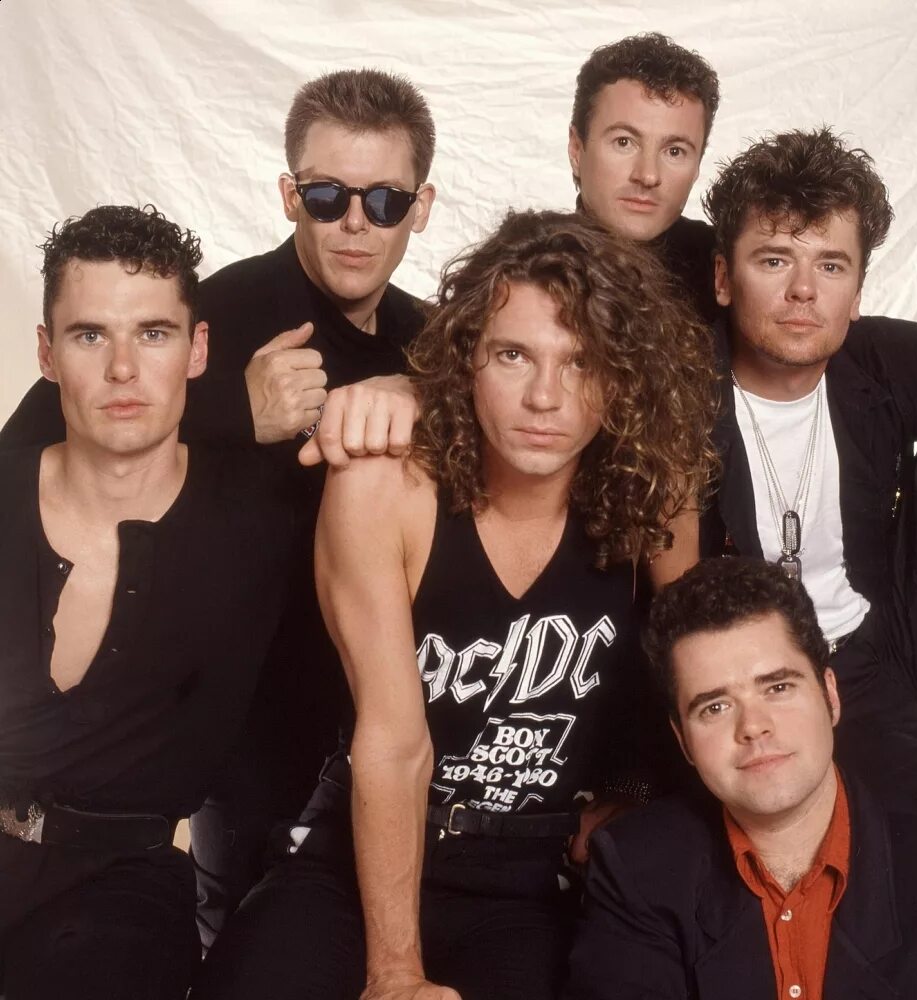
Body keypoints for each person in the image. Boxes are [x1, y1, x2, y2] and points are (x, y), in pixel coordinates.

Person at [189, 209, 718, 1000]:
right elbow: (395, 741)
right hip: (357, 850)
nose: (545, 397)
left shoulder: (652, 491)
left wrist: (637, 794)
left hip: (533, 877)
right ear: (467, 357)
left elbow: (695, 672)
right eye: (513, 355)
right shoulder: (386, 484)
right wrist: (396, 974)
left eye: (582, 362)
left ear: (624, 377)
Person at [1, 67, 438, 947]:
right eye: (328, 196)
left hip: (386, 687)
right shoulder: (224, 308)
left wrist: (421, 391)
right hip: (239, 710)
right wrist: (237, 408)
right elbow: (29, 454)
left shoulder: (429, 339)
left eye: (385, 201)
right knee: (240, 941)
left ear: (420, 208)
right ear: (290, 196)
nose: (356, 223)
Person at [0, 205, 295, 999]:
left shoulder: (263, 527)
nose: (123, 369)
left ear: (198, 350)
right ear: (47, 353)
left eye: (154, 334)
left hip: (123, 886)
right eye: (90, 335)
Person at [564, 557, 917, 1000]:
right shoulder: (635, 870)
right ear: (683, 742)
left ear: (830, 696)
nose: (753, 726)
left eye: (778, 688)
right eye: (715, 707)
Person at [699, 127, 917, 748]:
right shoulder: (679, 386)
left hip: (889, 660)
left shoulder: (880, 359)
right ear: (724, 278)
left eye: (831, 265)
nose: (804, 290)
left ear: (857, 291)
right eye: (775, 260)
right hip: (745, 686)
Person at [568, 32, 721, 321]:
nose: (648, 175)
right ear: (577, 149)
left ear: (698, 164)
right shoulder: (521, 270)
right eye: (624, 142)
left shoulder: (731, 271)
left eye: (674, 151)